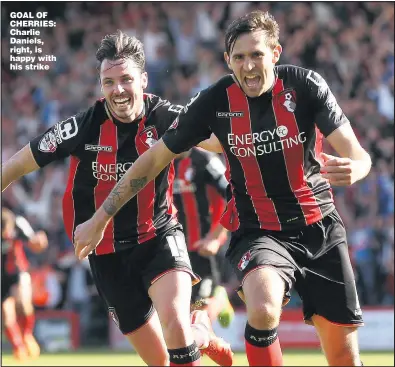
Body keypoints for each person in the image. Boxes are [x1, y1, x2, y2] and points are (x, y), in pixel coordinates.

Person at [72, 10, 372, 367]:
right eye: (239, 57)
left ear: (274, 53)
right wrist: (101, 216)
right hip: (260, 232)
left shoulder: (305, 86)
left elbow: (359, 155)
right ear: (228, 60)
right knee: (261, 308)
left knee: (344, 357)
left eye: (256, 55)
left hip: (320, 227)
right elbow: (152, 160)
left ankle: (204, 329)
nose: (248, 66)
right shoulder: (214, 102)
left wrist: (358, 168)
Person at [1, 31, 233, 366]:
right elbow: (20, 162)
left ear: (143, 79)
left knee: (176, 330)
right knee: (159, 360)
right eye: (108, 82)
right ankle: (204, 333)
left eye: (126, 79)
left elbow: (213, 139)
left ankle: (194, 331)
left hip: (159, 236)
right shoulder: (83, 126)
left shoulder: (165, 115)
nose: (118, 90)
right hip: (107, 253)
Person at [173, 148, 234, 328]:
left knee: (199, 304)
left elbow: (234, 196)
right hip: (177, 247)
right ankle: (219, 296)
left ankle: (198, 347)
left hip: (206, 245)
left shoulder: (205, 160)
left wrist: (215, 237)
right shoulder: (163, 161)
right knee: (186, 302)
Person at [1, 208, 48, 361]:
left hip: (17, 271)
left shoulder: (17, 222)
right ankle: (18, 348)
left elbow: (35, 243)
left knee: (23, 305)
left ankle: (27, 335)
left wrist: (40, 242)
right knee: (7, 317)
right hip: (2, 277)